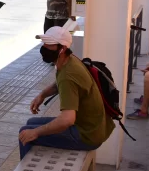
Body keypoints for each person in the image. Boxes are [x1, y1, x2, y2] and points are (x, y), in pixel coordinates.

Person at [18, 27, 115, 159]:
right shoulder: (70, 60)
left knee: (25, 132)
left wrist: (36, 132)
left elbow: (67, 120)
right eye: (44, 43)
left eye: (49, 45)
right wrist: (42, 95)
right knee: (30, 122)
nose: (44, 47)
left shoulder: (68, 75)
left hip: (87, 134)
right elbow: (58, 85)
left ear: (62, 48)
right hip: (93, 126)